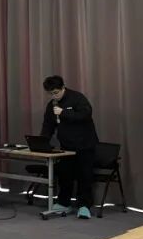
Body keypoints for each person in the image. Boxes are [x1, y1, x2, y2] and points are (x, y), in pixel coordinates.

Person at [40, 75, 99, 219]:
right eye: (51, 93)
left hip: (85, 144)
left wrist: (63, 112)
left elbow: (85, 114)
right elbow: (48, 125)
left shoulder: (77, 98)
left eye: (56, 92)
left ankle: (84, 206)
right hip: (66, 147)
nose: (54, 96)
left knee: (84, 176)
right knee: (65, 175)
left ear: (63, 88)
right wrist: (42, 142)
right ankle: (63, 202)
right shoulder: (51, 105)